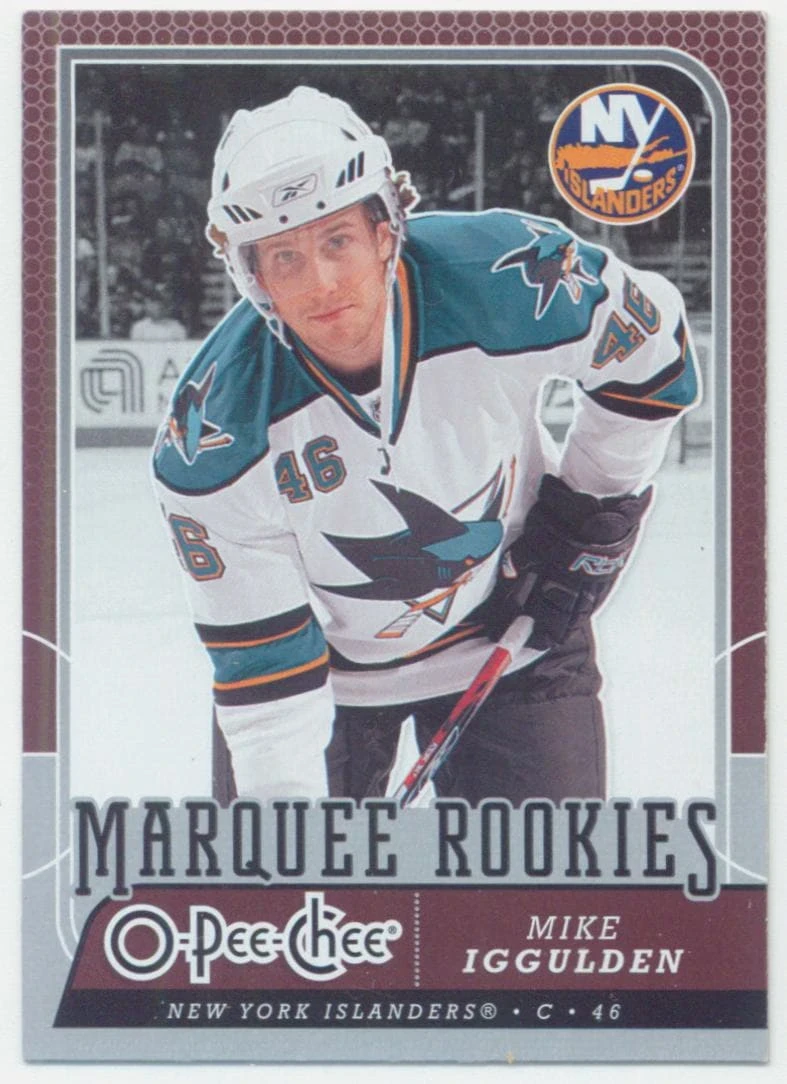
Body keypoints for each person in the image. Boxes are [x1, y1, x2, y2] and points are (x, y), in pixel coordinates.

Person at [152, 86, 700, 806]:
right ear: (251, 277)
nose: (321, 283)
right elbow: (264, 675)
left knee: (550, 878)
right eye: (284, 258)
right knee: (279, 872)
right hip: (323, 682)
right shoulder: (212, 439)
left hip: (516, 633)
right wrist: (286, 827)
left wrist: (592, 503)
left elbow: (652, 347)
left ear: (387, 229)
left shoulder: (505, 277)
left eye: (337, 240)